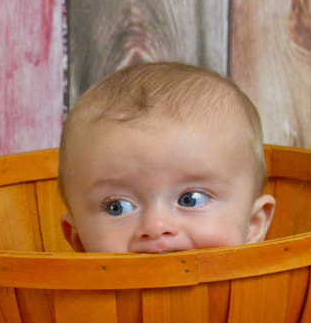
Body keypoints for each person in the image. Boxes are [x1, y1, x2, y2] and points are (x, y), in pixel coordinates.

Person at [58, 62, 276, 254]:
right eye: (118, 206)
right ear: (78, 239)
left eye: (190, 199)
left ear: (253, 224)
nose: (156, 227)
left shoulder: (268, 300)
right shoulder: (61, 302)